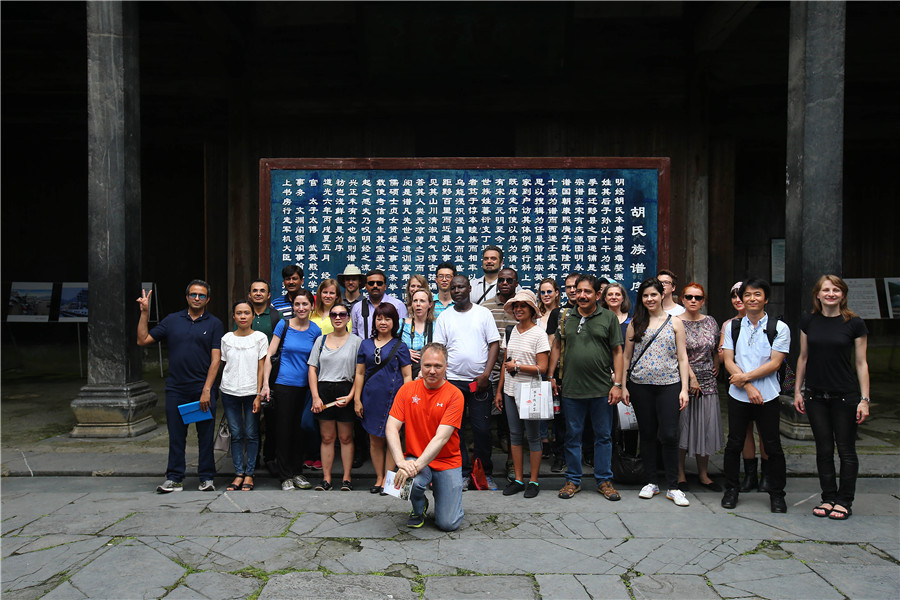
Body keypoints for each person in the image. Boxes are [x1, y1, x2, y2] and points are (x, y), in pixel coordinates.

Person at [793, 275, 870, 520]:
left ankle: (844, 500)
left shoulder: (854, 323)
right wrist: (797, 390)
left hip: (845, 396)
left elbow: (861, 363)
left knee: (846, 450)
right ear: (817, 294)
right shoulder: (809, 321)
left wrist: (864, 399)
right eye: (826, 290)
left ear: (843, 295)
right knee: (823, 449)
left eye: (836, 290)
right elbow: (803, 357)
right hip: (815, 394)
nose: (831, 294)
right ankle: (828, 497)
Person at [137, 280, 223, 493]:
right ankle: (174, 478)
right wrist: (145, 313)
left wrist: (207, 389)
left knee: (205, 436)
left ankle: (206, 477)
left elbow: (216, 359)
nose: (197, 298)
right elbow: (143, 339)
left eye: (201, 295)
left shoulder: (214, 323)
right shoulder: (172, 320)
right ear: (186, 297)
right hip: (176, 389)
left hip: (202, 389)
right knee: (176, 436)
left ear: (208, 299)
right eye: (193, 294)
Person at [548, 274, 624, 501]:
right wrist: (551, 376)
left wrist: (618, 384)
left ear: (597, 295)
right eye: (578, 291)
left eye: (587, 292)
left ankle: (604, 480)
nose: (581, 295)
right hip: (571, 389)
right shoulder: (565, 316)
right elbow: (557, 347)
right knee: (573, 436)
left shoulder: (608, 318)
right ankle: (573, 480)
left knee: (603, 436)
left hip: (602, 389)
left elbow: (618, 352)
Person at [721, 278, 791, 513]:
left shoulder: (779, 327)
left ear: (766, 299)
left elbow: (775, 363)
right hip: (739, 394)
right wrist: (748, 386)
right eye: (747, 295)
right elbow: (728, 360)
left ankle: (777, 493)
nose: (751, 299)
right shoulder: (733, 327)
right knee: (734, 444)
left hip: (768, 395)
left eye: (757, 294)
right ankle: (731, 489)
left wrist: (745, 379)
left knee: (772, 445)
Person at [622, 278, 691, 507]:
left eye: (653, 295)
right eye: (645, 296)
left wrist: (684, 388)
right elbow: (626, 357)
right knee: (648, 433)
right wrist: (622, 385)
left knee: (670, 434)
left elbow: (682, 357)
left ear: (662, 295)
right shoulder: (635, 323)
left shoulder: (675, 323)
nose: (649, 299)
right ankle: (651, 481)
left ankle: (673, 486)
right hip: (640, 385)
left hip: (669, 384)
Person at [386, 343, 465, 531]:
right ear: (420, 365)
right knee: (411, 482)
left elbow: (441, 438)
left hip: (447, 461)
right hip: (415, 457)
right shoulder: (406, 390)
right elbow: (391, 427)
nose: (432, 371)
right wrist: (401, 463)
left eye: (438, 366)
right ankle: (419, 507)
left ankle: (447, 498)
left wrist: (413, 468)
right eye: (427, 365)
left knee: (448, 524)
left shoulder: (455, 395)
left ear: (446, 366)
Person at [434, 275, 501, 490]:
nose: (457, 291)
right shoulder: (445, 317)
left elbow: (494, 345)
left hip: (480, 382)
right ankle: (462, 473)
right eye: (453, 288)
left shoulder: (483, 314)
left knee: (482, 430)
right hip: (452, 383)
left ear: (469, 288)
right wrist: (443, 378)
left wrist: (485, 375)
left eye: (461, 287)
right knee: (456, 430)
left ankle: (484, 473)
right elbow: (439, 350)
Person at [261, 289, 321, 491]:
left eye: (305, 304)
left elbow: (317, 361)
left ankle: (297, 472)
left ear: (312, 306)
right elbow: (270, 355)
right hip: (284, 385)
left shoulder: (315, 330)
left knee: (300, 430)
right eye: (297, 304)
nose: (301, 308)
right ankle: (284, 475)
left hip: (305, 388)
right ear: (292, 307)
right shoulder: (283, 325)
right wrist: (266, 385)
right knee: (283, 430)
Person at [495, 290, 550, 498]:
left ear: (531, 310)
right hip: (510, 391)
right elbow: (504, 364)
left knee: (534, 437)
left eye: (523, 306)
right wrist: (499, 391)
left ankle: (534, 481)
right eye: (516, 306)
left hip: (531, 391)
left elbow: (542, 368)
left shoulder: (538, 333)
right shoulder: (511, 331)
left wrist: (518, 367)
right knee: (515, 436)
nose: (518, 309)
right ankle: (518, 479)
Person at [354, 303, 412, 494]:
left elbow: (407, 377)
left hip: (394, 399)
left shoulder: (400, 346)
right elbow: (360, 373)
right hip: (371, 399)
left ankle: (389, 479)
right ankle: (378, 477)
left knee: (391, 439)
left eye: (387, 318)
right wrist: (357, 399)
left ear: (394, 322)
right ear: (374, 321)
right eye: (379, 318)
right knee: (374, 440)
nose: (383, 322)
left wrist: (406, 401)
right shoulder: (366, 344)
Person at [675, 283, 724, 492]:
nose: (693, 300)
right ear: (683, 299)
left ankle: (703, 474)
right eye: (689, 297)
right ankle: (680, 473)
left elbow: (715, 347)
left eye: (698, 297)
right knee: (682, 426)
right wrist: (691, 378)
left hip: (708, 380)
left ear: (703, 300)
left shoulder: (711, 321)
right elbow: (678, 354)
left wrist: (717, 362)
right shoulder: (676, 322)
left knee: (705, 426)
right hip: (684, 380)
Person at [309, 302, 362, 491]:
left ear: (348, 318)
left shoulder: (356, 341)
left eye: (342, 314)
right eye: (334, 315)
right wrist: (315, 396)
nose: (338, 317)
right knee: (327, 437)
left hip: (346, 389)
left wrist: (351, 396)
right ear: (330, 318)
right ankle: (326, 479)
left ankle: (347, 478)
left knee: (346, 437)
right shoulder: (321, 340)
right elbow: (312, 368)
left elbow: (360, 372)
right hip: (324, 391)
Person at [720, 282, 768, 493]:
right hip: (739, 384)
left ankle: (767, 475)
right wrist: (743, 380)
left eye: (745, 295)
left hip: (766, 384)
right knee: (744, 431)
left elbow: (775, 359)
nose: (740, 300)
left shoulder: (770, 324)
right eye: (736, 296)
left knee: (766, 432)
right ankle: (750, 475)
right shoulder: (729, 325)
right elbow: (724, 356)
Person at [219, 300, 268, 491]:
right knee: (236, 433)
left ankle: (250, 473)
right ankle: (238, 473)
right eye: (239, 313)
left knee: (251, 433)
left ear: (253, 316)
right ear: (234, 317)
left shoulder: (260, 338)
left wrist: (258, 393)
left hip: (251, 392)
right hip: (229, 391)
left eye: (246, 313)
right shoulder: (226, 339)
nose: (242, 316)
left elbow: (261, 368)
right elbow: (225, 365)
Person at [483, 268, 519, 478]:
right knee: (486, 420)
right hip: (491, 370)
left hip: (515, 372)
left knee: (512, 421)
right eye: (501, 280)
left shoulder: (522, 306)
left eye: (509, 280)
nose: (504, 283)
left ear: (516, 283)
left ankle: (511, 463)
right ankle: (485, 465)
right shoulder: (486, 307)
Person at [350, 269, 408, 340]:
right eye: (371, 283)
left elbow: (404, 333)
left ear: (385, 286)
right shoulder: (358, 307)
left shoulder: (398, 305)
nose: (375, 286)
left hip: (392, 349)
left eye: (379, 283)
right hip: (364, 350)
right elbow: (353, 334)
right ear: (366, 286)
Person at [399, 287, 436, 379]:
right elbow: (389, 345)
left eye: (422, 301)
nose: (418, 304)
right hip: (404, 371)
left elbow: (441, 350)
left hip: (428, 373)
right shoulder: (402, 324)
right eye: (415, 301)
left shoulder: (436, 326)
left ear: (430, 304)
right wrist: (404, 352)